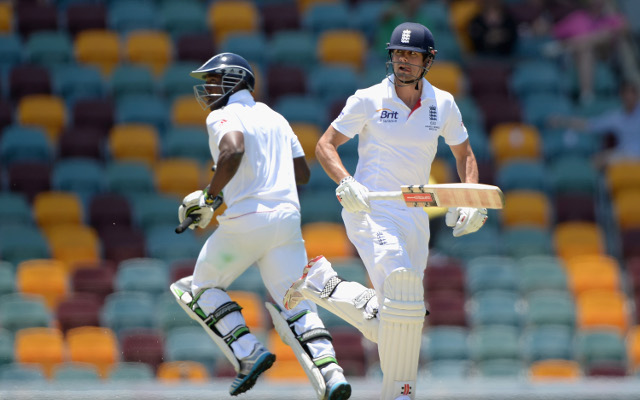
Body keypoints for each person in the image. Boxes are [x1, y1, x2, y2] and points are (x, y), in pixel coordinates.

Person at [283, 22, 488, 400]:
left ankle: (324, 285)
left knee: (401, 317)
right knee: (401, 297)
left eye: (412, 55)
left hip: (414, 212)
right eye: (398, 53)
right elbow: (326, 146)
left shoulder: (443, 103)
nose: (403, 61)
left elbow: (465, 154)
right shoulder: (367, 98)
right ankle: (402, 394)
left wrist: (469, 199)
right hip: (369, 207)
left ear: (428, 60)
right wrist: (346, 182)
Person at [169, 52, 352, 400]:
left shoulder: (222, 115)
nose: (207, 88)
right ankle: (332, 373)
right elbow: (302, 173)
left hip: (247, 222)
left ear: (236, 80)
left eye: (213, 80)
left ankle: (248, 352)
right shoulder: (277, 118)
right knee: (296, 302)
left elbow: (234, 149)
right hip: (286, 222)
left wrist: (211, 197)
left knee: (199, 287)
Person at [548, 80, 640, 166]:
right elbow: (591, 125)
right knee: (595, 161)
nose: (628, 97)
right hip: (625, 154)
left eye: (631, 94)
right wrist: (562, 121)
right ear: (621, 96)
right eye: (626, 94)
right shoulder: (617, 117)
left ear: (636, 95)